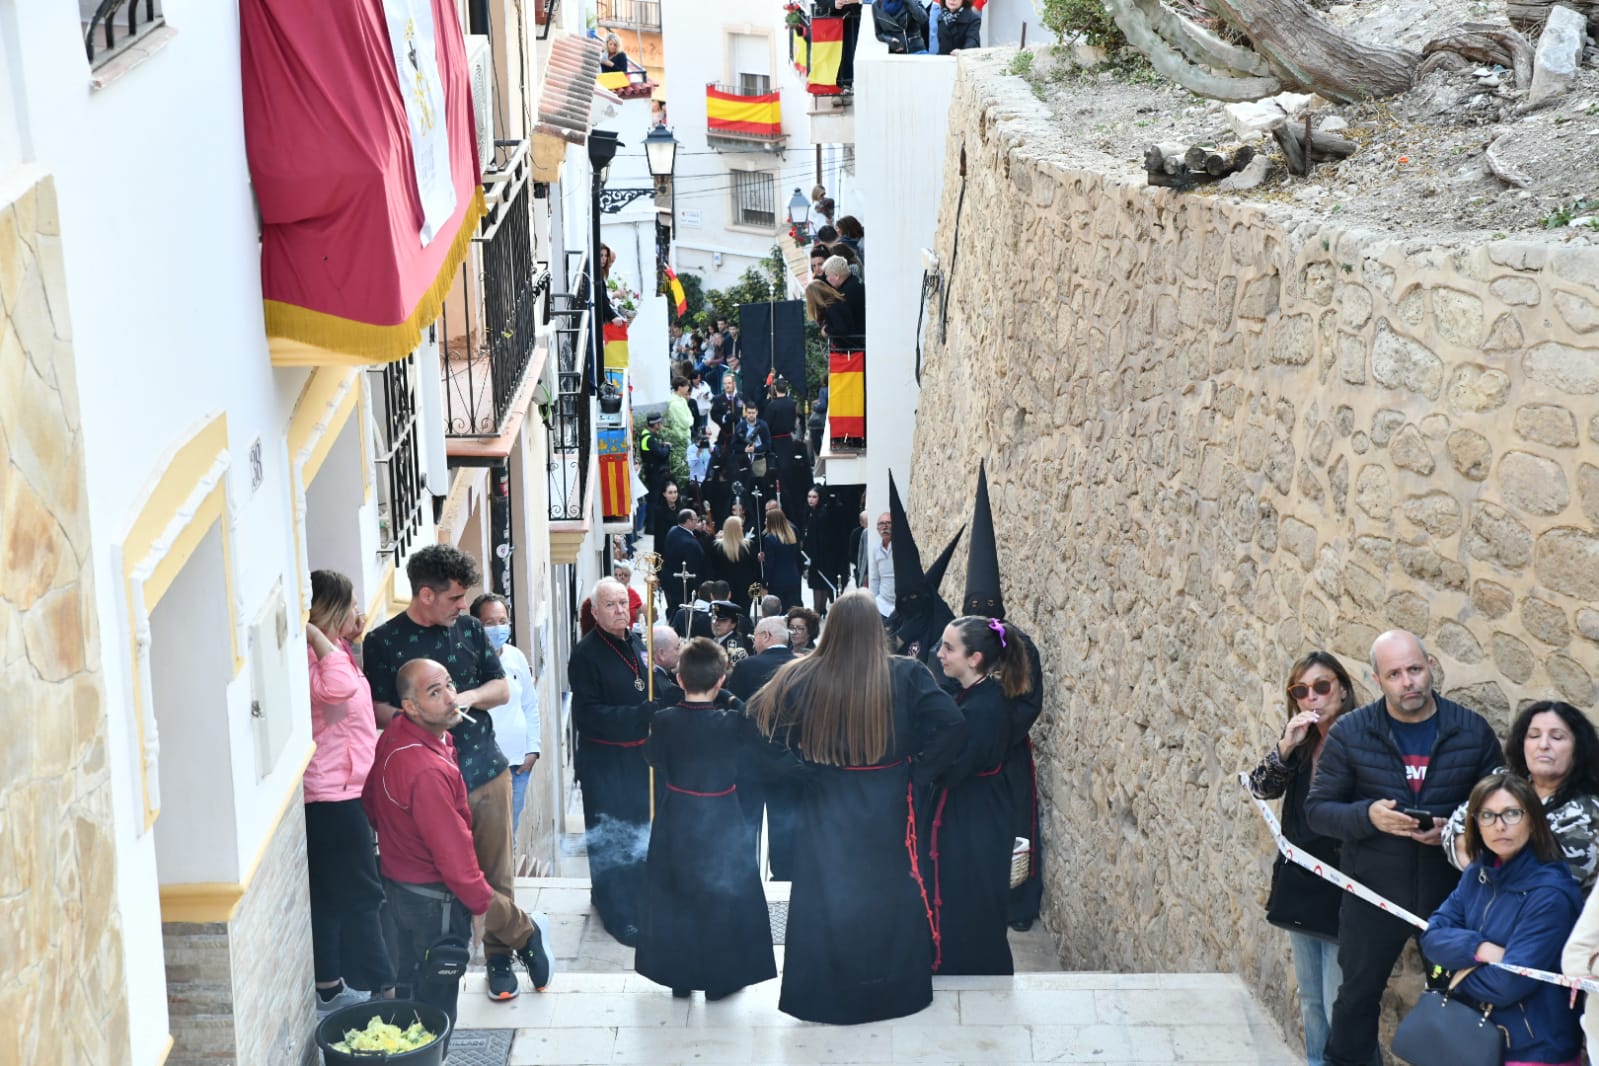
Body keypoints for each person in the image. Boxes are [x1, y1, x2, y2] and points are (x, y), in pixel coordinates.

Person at [749, 590, 966, 1023]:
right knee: (888, 894)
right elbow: (952, 725)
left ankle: (824, 995)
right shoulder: (906, 674)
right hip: (887, 799)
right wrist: (916, 773)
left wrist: (797, 770)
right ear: (875, 630)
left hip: (826, 799)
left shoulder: (801, 674)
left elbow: (756, 726)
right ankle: (889, 993)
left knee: (825, 896)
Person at [1305, 629, 1504, 1066]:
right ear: (1378, 680)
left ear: (1431, 667)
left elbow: (1503, 809)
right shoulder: (1350, 733)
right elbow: (1317, 811)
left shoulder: (1471, 730)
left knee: (1461, 995)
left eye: (1415, 669)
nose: (1407, 681)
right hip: (1371, 892)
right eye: (1394, 674)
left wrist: (1455, 831)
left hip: (1452, 897)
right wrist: (1368, 817)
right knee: (1356, 996)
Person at [363, 545, 527, 1002]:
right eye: (456, 597)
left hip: (483, 770)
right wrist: (423, 715)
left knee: (496, 873)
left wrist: (464, 699)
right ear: (426, 595)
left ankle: (501, 958)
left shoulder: (472, 630)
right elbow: (375, 708)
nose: (463, 606)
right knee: (441, 879)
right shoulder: (383, 642)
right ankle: (443, 961)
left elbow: (501, 688)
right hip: (428, 780)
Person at [363, 659, 553, 1045]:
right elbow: (455, 858)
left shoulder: (399, 734)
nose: (452, 698)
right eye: (435, 693)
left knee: (411, 997)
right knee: (435, 1013)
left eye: (450, 685)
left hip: (399, 890)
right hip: (433, 904)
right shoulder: (426, 770)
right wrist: (482, 907)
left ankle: (526, 932)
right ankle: (525, 933)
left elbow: (370, 801)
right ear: (411, 707)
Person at [635, 638, 777, 999]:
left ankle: (679, 977)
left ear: (679, 679)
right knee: (722, 894)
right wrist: (729, 697)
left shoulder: (664, 720)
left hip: (677, 814)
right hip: (722, 816)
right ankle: (719, 980)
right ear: (721, 680)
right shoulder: (731, 721)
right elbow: (758, 731)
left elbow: (652, 759)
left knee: (675, 892)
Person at [1247, 651, 1365, 1066]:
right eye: (1301, 691)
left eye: (1322, 687)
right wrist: (1285, 746)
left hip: (1346, 886)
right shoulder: (1300, 743)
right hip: (1302, 882)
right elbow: (1262, 787)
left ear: (1343, 689)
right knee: (1313, 999)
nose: (1311, 697)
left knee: (1340, 1002)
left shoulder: (1363, 741)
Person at [1420, 773, 1583, 1066]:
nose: (1499, 825)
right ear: (1476, 824)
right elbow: (1431, 937)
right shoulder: (1476, 874)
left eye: (1511, 813)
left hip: (1533, 1050)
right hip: (1473, 1038)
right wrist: (1478, 948)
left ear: (1532, 820)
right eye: (1488, 815)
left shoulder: (1550, 893)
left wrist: (1452, 973)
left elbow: (1507, 984)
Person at [303, 570, 392, 1016]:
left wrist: (334, 639)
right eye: (353, 605)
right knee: (363, 894)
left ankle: (330, 986)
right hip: (331, 796)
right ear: (332, 611)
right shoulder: (316, 657)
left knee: (337, 896)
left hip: (347, 788)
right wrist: (316, 635)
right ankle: (384, 987)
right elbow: (337, 690)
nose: (360, 612)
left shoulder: (336, 651)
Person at [933, 615, 1033, 975]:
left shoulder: (983, 708)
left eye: (948, 647)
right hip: (975, 808)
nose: (939, 654)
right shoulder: (976, 697)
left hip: (976, 816)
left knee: (971, 897)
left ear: (974, 658)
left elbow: (953, 766)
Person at [567, 579, 655, 945]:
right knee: (610, 835)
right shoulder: (586, 654)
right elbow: (588, 715)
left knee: (637, 830)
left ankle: (638, 901)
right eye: (611, 605)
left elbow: (646, 685)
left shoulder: (633, 642)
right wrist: (639, 715)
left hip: (637, 758)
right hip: (605, 762)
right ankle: (616, 910)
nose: (621, 611)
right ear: (595, 612)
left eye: (624, 603)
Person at [1440, 700, 1599, 890]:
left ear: (1578, 748)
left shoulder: (1588, 811)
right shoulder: (1504, 781)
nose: (1543, 745)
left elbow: (1544, 883)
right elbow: (1453, 830)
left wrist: (1482, 858)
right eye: (1533, 735)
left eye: (1557, 737)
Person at [727, 616, 800, 877]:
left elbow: (733, 716)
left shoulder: (747, 667)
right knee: (786, 825)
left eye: (756, 636)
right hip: (791, 761)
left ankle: (745, 875)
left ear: (767, 636)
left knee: (747, 824)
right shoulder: (802, 666)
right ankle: (785, 875)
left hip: (750, 762)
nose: (754, 641)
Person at [471, 594, 542, 837]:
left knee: (509, 834)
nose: (497, 628)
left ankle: (507, 877)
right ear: (475, 625)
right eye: (489, 622)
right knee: (485, 837)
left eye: (502, 621)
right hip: (481, 769)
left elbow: (530, 705)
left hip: (517, 766)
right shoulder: (467, 660)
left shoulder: (516, 656)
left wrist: (532, 750)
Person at [708, 513, 761, 613]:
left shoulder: (716, 547)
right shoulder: (749, 546)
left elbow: (712, 570)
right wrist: (756, 593)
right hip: (745, 590)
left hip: (723, 589)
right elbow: (756, 571)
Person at [661, 508, 706, 615]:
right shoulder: (690, 544)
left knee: (673, 610)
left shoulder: (673, 530)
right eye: (696, 520)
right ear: (688, 521)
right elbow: (692, 569)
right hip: (682, 587)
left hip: (669, 580)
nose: (697, 522)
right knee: (682, 614)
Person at [761, 507, 803, 610]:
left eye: (767, 519)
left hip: (777, 580)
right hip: (793, 576)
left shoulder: (769, 538)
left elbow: (769, 564)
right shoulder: (791, 535)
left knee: (780, 610)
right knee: (792, 609)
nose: (765, 521)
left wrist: (764, 582)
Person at [823, 256, 865, 346]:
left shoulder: (840, 297)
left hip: (855, 349)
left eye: (827, 275)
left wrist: (826, 330)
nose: (826, 279)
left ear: (836, 275)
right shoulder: (860, 285)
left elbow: (841, 329)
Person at [867, 511, 895, 618]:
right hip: (882, 604)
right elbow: (874, 578)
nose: (885, 526)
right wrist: (873, 603)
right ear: (877, 529)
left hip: (900, 605)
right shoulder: (875, 549)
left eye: (888, 523)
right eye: (881, 524)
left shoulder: (901, 547)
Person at [710, 599, 751, 664]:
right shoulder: (713, 641)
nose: (716, 623)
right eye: (714, 618)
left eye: (722, 620)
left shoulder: (735, 647)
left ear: (733, 624)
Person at [611, 561, 644, 628]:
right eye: (620, 575)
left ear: (629, 579)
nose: (622, 577)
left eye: (625, 575)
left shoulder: (633, 593)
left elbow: (640, 613)